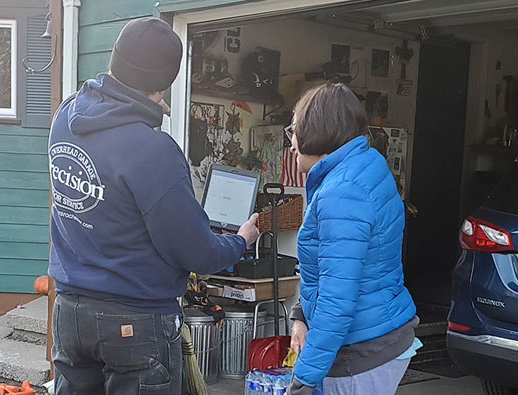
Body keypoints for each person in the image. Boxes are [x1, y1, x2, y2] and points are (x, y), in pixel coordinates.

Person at [46, 17, 258, 395]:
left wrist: (147, 103)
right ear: (163, 84)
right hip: (134, 321)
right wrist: (240, 240)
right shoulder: (152, 151)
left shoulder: (66, 118)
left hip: (70, 312)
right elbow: (196, 251)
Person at [282, 83, 419, 395]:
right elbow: (345, 267)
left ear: (317, 130)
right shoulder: (366, 165)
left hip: (363, 351)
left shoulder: (343, 192)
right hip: (380, 332)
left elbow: (337, 298)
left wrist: (303, 379)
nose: (291, 142)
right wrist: (302, 315)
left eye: (295, 129)